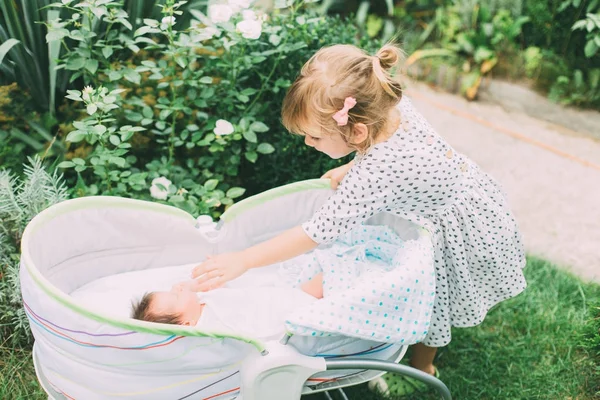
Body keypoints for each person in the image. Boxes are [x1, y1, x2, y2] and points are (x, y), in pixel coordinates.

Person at [189, 43, 527, 396]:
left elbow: (315, 232)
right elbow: (394, 154)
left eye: (315, 136)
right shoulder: (391, 107)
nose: (307, 142)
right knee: (429, 288)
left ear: (358, 132)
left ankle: (422, 364)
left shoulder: (378, 174)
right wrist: (354, 165)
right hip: (468, 191)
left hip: (453, 224)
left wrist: (244, 259)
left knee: (435, 294)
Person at [130, 274, 323, 339]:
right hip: (278, 313)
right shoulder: (208, 328)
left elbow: (218, 289)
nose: (177, 288)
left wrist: (189, 287)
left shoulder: (198, 302)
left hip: (269, 297)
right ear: (187, 324)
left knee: (311, 288)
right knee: (315, 291)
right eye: (175, 296)